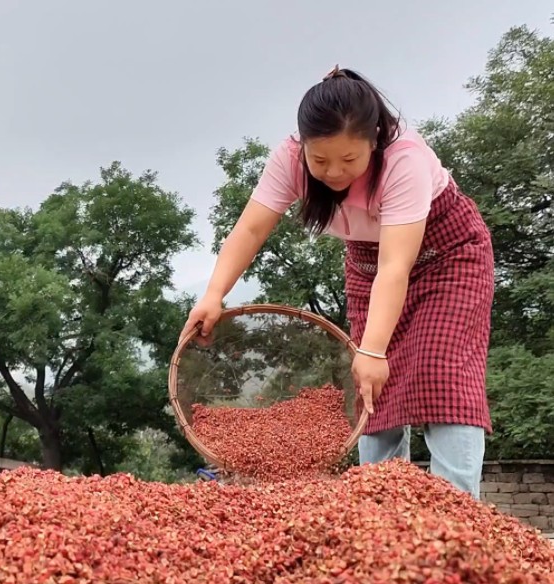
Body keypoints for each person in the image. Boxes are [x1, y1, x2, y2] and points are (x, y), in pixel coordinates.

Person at [180, 66, 494, 500]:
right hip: (369, 263)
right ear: (303, 145)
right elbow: (250, 230)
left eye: (350, 160)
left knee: (442, 371)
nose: (334, 172)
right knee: (370, 386)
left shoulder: (405, 159)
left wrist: (374, 348)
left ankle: (460, 513)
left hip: (447, 256)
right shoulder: (288, 158)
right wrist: (214, 294)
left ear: (375, 139)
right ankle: (378, 511)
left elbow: (396, 266)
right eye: (321, 160)